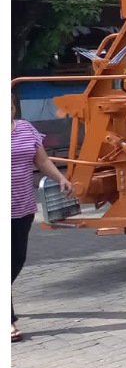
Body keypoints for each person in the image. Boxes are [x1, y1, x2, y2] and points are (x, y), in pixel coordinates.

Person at [12, 91, 68, 343]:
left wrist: (61, 178)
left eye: (10, 104)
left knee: (16, 260)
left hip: (22, 208)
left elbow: (42, 161)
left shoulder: (25, 129)